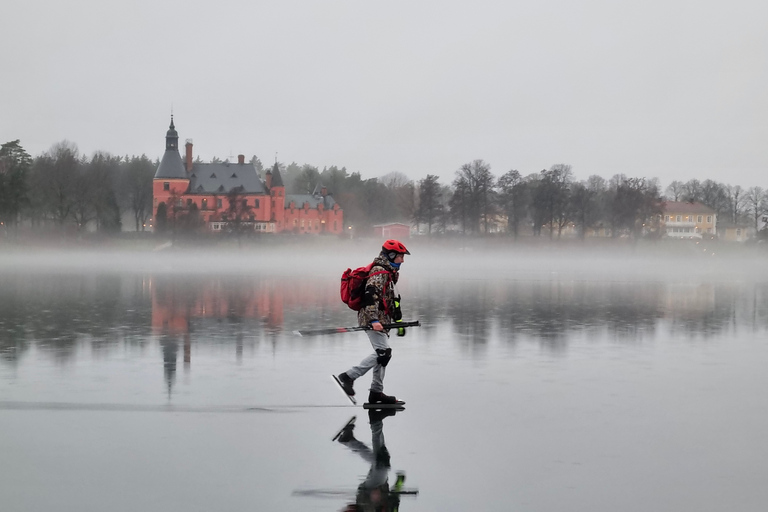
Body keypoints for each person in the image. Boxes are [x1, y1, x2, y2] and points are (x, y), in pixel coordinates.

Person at [337, 239, 410, 405]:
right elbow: (371, 295)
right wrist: (373, 319)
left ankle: (376, 393)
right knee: (383, 353)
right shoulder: (380, 272)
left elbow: (390, 300)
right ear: (391, 255)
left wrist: (398, 321)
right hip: (373, 317)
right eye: (400, 256)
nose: (403, 260)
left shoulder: (389, 273)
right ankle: (348, 376)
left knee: (383, 355)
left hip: (382, 318)